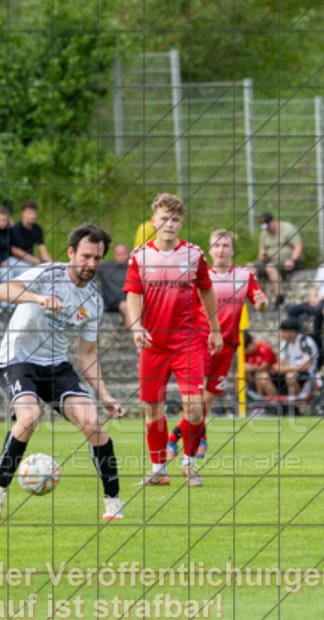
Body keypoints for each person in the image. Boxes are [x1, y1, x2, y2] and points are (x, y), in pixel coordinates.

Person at [0, 223, 126, 521]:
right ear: (71, 252)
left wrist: (105, 395)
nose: (91, 264)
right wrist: (37, 298)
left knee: (94, 424)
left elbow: (87, 355)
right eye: (85, 256)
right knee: (29, 417)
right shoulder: (48, 274)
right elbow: (1, 289)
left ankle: (113, 503)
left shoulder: (93, 301)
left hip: (56, 366)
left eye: (97, 258)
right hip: (17, 360)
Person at [125, 193, 221, 487]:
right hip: (153, 344)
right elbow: (134, 294)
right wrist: (136, 327)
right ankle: (158, 470)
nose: (169, 224)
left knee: (194, 407)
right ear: (154, 221)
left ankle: (189, 463)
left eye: (175, 219)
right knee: (152, 409)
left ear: (181, 223)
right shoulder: (139, 256)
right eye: (164, 218)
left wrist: (215, 329)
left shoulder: (194, 255)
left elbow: (206, 290)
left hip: (186, 343)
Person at [168, 229, 268, 463]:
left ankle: (197, 435)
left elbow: (260, 304)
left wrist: (263, 303)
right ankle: (175, 439)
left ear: (233, 250)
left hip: (228, 346)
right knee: (195, 397)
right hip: (200, 342)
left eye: (225, 246)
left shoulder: (244, 276)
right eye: (217, 246)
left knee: (208, 399)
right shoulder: (199, 277)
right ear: (210, 250)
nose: (221, 250)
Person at [287, 240, 324, 336]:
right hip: (319, 299)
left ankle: (316, 337)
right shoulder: (322, 267)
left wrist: (319, 299)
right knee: (292, 310)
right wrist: (312, 298)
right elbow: (316, 287)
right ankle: (301, 336)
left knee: (318, 310)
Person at [255, 318, 319, 401]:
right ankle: (277, 405)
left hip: (306, 374)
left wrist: (286, 369)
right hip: (292, 372)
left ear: (293, 332)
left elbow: (306, 366)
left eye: (284, 331)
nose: (281, 334)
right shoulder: (285, 343)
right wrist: (276, 369)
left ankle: (295, 405)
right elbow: (280, 363)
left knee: (290, 376)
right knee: (262, 376)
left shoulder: (306, 342)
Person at [252, 212, 303, 306]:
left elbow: (298, 246)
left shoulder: (288, 229)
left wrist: (292, 260)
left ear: (274, 221)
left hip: (285, 259)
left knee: (270, 268)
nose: (267, 229)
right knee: (250, 267)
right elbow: (261, 252)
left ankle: (280, 298)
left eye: (268, 226)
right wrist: (263, 256)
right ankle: (257, 297)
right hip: (269, 259)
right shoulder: (264, 234)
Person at [7, 201, 51, 273]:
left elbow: (42, 249)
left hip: (30, 260)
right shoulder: (15, 228)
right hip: (14, 260)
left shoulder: (37, 229)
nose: (33, 216)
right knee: (32, 271)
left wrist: (51, 263)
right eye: (29, 213)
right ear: (22, 213)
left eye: (34, 213)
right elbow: (15, 250)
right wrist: (36, 260)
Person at [97, 242, 132, 326]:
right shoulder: (106, 268)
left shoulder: (135, 268)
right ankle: (136, 333)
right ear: (115, 255)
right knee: (127, 306)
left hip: (132, 300)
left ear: (129, 254)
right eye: (119, 254)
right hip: (114, 303)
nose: (122, 256)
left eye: (124, 253)